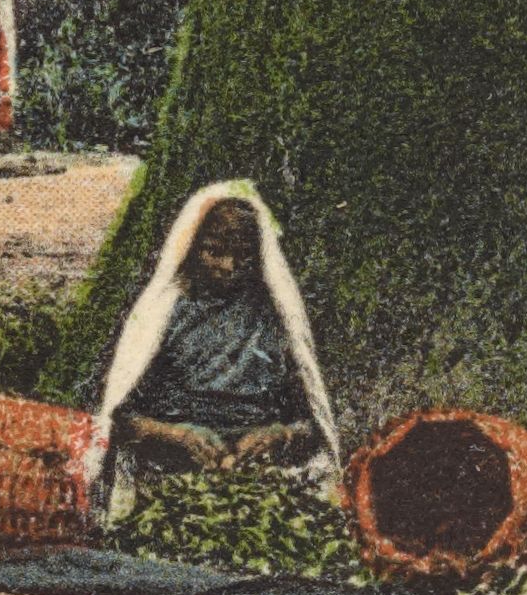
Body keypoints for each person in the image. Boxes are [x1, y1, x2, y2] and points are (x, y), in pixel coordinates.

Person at [83, 181, 342, 520]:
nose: (229, 266)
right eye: (215, 250)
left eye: (243, 255)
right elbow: (121, 417)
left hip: (260, 475)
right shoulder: (163, 314)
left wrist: (278, 435)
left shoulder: (275, 318)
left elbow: (311, 423)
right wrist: (176, 435)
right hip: (171, 472)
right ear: (191, 247)